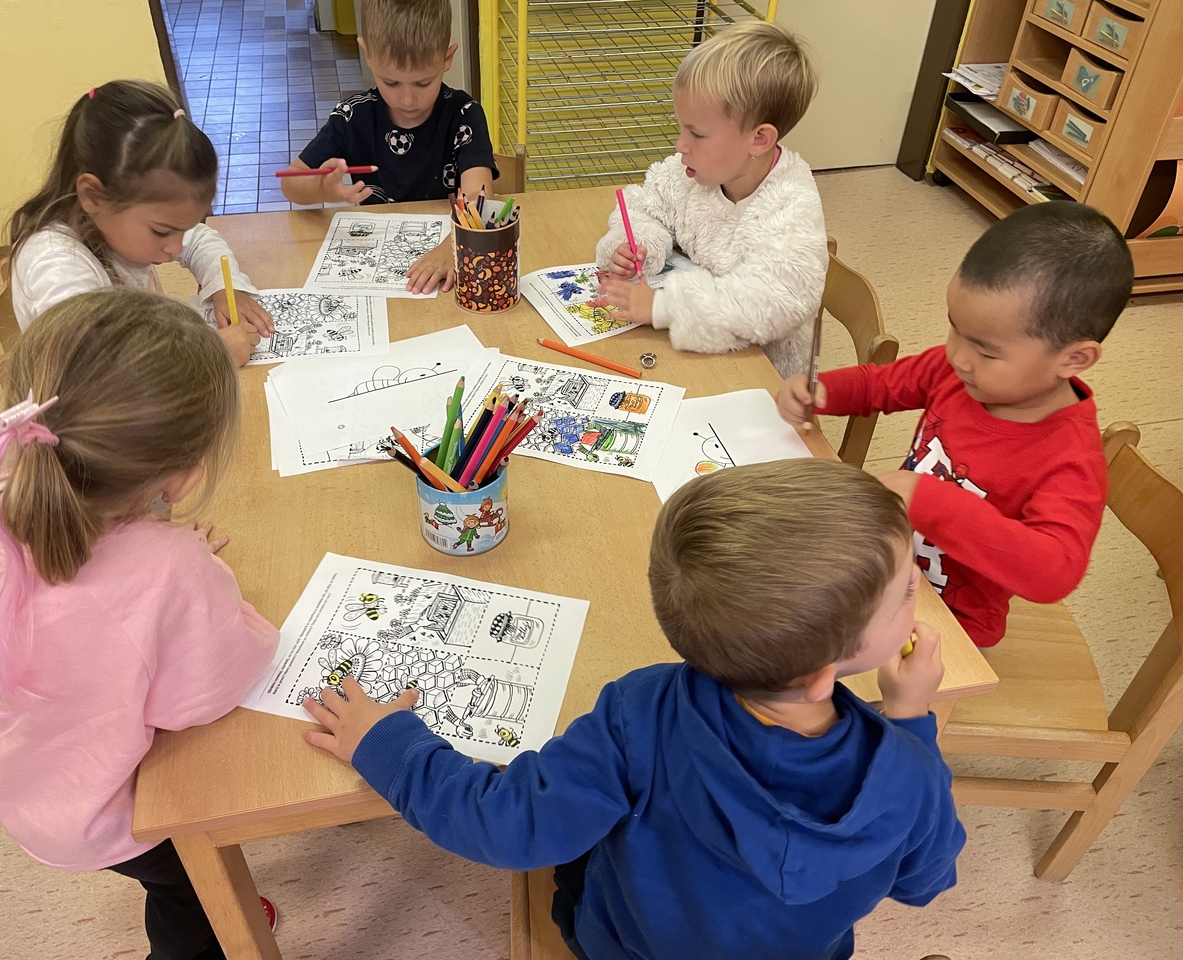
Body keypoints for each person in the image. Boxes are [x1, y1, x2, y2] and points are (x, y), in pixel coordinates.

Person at [301, 460, 965, 960]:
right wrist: (911, 721)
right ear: (823, 675)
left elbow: (507, 823)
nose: (918, 586)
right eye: (907, 591)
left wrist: (385, 743)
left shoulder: (641, 711)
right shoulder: (910, 773)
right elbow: (924, 882)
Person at [0, 288, 280, 959]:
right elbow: (212, 689)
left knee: (173, 885)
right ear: (181, 479)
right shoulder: (167, 569)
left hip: (31, 787)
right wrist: (194, 577)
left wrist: (162, 573)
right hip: (120, 810)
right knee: (187, 894)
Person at [777, 202, 1134, 647]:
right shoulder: (958, 371)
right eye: (954, 329)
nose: (959, 357)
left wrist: (929, 501)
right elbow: (879, 384)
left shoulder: (1071, 459)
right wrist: (820, 390)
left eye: (986, 351)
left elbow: (1054, 573)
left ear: (1074, 358)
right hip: (884, 566)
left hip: (952, 622)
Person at [595, 19, 827, 378]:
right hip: (697, 358)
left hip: (763, 376)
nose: (680, 145)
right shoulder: (692, 173)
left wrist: (662, 307)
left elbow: (768, 302)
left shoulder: (791, 206)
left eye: (697, 134)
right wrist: (636, 244)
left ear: (759, 140)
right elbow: (643, 206)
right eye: (681, 127)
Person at [8, 80, 273, 367]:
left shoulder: (117, 222)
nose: (176, 247)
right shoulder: (57, 266)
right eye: (161, 232)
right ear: (93, 196)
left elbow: (200, 239)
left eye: (183, 229)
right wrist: (213, 354)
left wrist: (223, 286)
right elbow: (95, 373)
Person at [281, 0, 498, 293]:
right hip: (376, 265)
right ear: (367, 55)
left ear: (447, 58)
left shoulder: (464, 114)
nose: (407, 100)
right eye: (391, 82)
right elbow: (291, 182)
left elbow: (479, 198)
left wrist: (455, 246)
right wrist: (323, 190)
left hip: (445, 259)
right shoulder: (352, 116)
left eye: (423, 83)